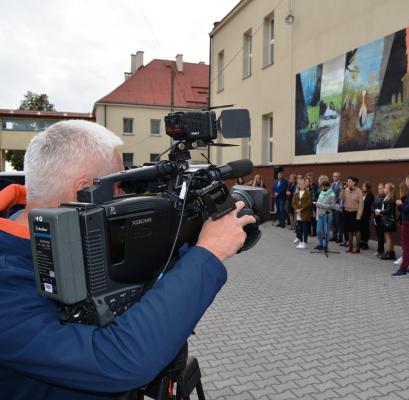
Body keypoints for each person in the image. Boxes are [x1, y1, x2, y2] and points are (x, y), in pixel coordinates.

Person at [0, 120, 255, 399]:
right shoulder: (7, 280)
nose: (124, 196)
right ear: (83, 191)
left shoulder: (82, 236)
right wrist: (209, 252)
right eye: (120, 185)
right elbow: (116, 360)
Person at [340, 176, 364, 253]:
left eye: (350, 181)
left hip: (355, 212)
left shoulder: (359, 191)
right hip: (347, 212)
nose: (348, 182)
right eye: (348, 181)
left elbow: (361, 204)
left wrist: (359, 215)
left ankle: (357, 247)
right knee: (349, 230)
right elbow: (341, 198)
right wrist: (343, 189)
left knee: (356, 230)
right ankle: (350, 246)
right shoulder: (346, 190)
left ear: (354, 182)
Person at [377, 183, 397, 260]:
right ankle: (391, 252)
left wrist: (380, 212)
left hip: (387, 220)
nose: (384, 189)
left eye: (385, 187)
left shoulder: (390, 198)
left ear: (389, 190)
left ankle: (388, 253)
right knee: (390, 237)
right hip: (388, 219)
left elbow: (389, 210)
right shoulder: (388, 197)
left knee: (388, 237)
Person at [314, 181, 336, 251]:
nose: (322, 188)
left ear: (327, 186)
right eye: (321, 187)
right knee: (318, 231)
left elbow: (332, 206)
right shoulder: (321, 192)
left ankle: (325, 245)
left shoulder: (332, 194)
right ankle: (320, 244)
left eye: (323, 186)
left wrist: (321, 205)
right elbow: (318, 201)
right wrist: (317, 203)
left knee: (327, 231)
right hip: (320, 214)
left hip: (327, 215)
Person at [292, 178, 312, 249]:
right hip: (298, 213)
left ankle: (304, 242)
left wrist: (301, 209)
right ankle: (300, 241)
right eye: (300, 184)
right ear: (299, 185)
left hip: (305, 212)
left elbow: (308, 203)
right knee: (299, 228)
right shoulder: (296, 193)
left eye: (303, 184)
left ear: (305, 185)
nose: (302, 185)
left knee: (305, 228)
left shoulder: (308, 193)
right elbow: (293, 203)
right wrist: (297, 210)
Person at [371, 183, 386, 257]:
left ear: (384, 189)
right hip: (375, 218)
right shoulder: (377, 197)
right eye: (378, 188)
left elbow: (385, 209)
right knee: (378, 235)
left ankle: (381, 250)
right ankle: (379, 250)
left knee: (381, 235)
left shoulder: (386, 198)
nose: (379, 190)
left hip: (382, 219)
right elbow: (372, 206)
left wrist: (379, 212)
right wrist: (374, 211)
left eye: (381, 188)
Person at [359, 181, 374, 250]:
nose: (362, 187)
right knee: (361, 227)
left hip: (366, 214)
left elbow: (367, 204)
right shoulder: (362, 194)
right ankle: (361, 242)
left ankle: (365, 242)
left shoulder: (370, 195)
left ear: (367, 188)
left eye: (364, 186)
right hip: (361, 213)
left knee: (365, 228)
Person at [331, 172, 345, 243]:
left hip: (338, 206)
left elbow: (341, 195)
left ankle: (340, 237)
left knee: (339, 222)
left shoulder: (341, 185)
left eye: (336, 176)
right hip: (332, 206)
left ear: (339, 177)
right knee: (333, 222)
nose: (334, 178)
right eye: (334, 176)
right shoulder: (332, 184)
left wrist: (336, 202)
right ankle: (334, 236)